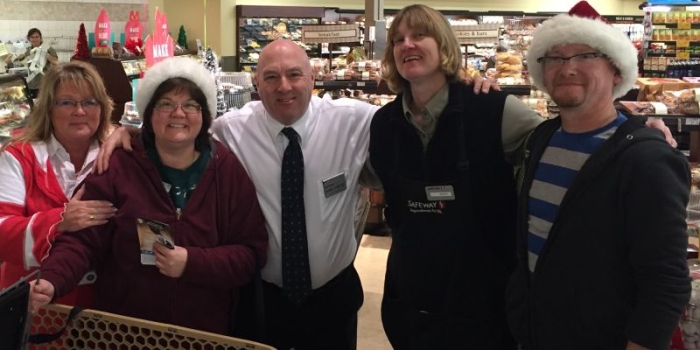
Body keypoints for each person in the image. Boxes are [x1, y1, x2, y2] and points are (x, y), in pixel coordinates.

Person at [95, 37, 498, 348]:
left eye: (294, 75)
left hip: (333, 297)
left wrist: (463, 87)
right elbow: (177, 132)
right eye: (270, 77)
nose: (283, 87)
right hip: (260, 297)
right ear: (256, 83)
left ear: (313, 78)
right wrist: (127, 133)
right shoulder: (230, 130)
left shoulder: (356, 121)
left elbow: (421, 109)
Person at [28, 57, 269, 335]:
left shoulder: (226, 171)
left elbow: (250, 254)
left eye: (191, 105)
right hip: (127, 332)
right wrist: (52, 280)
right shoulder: (119, 165)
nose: (178, 113)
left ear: (204, 115)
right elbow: (84, 239)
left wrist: (192, 263)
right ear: (149, 113)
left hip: (203, 334)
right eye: (165, 104)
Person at [505, 2, 691, 350]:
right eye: (554, 58)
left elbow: (665, 282)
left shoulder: (646, 160)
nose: (568, 68)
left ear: (617, 71)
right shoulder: (541, 139)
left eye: (585, 55)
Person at [368, 5, 544, 349]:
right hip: (411, 304)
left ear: (445, 45)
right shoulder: (384, 124)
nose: (407, 45)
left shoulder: (494, 110)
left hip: (485, 308)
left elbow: (560, 139)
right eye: (398, 40)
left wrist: (635, 129)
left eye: (420, 35)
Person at [0, 61, 115, 307]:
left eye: (89, 101)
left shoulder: (116, 155)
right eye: (66, 102)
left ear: (102, 108)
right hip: (33, 301)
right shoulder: (18, 156)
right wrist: (59, 221)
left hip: (100, 307)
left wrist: (131, 133)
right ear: (48, 109)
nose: (79, 111)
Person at [5, 28, 59, 98]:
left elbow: (56, 62)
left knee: (43, 106)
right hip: (31, 84)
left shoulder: (48, 49)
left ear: (40, 38)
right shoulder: (28, 50)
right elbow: (11, 60)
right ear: (29, 39)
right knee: (33, 105)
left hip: (44, 85)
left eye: (37, 37)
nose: (35, 39)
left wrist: (45, 54)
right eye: (32, 37)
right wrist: (14, 56)